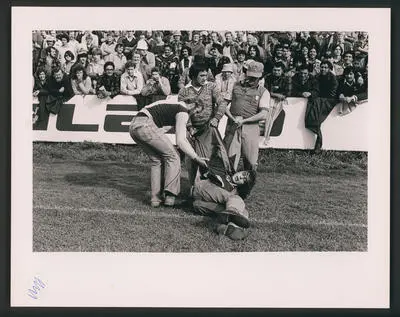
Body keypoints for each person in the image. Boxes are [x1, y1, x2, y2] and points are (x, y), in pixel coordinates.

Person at [129, 102, 209, 207]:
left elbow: (163, 129)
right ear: (191, 105)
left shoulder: (173, 107)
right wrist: (196, 157)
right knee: (174, 156)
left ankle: (155, 199)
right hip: (146, 124)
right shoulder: (183, 111)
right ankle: (170, 196)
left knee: (156, 160)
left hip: (134, 126)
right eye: (196, 110)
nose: (195, 114)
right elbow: (180, 141)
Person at [192, 127, 256, 240]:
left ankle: (227, 228)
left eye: (243, 179)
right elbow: (223, 146)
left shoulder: (234, 189)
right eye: (243, 174)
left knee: (242, 211)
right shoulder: (224, 170)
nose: (240, 176)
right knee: (234, 199)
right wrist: (232, 129)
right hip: (203, 187)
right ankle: (233, 215)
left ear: (242, 184)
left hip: (200, 204)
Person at [177, 62, 228, 185]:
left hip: (207, 129)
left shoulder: (211, 87)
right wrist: (189, 127)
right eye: (202, 76)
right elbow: (182, 111)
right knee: (191, 162)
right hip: (191, 131)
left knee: (206, 160)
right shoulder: (184, 92)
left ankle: (207, 188)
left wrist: (216, 118)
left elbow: (222, 103)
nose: (205, 78)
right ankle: (192, 189)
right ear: (193, 76)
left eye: (206, 75)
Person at [224, 61, 270, 171]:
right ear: (246, 73)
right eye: (250, 76)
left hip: (251, 128)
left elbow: (263, 114)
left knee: (250, 161)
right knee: (230, 159)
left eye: (256, 78)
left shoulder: (263, 91)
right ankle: (229, 186)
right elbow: (223, 105)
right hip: (233, 126)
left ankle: (247, 187)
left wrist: (244, 121)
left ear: (260, 77)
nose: (252, 80)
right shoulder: (235, 86)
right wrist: (232, 118)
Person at [302, 60, 338, 153]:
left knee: (316, 118)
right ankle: (318, 142)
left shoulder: (333, 78)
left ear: (330, 69)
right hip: (318, 99)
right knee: (313, 116)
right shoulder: (317, 76)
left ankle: (318, 143)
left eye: (326, 67)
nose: (323, 69)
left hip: (328, 101)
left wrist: (318, 97)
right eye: (322, 67)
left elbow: (332, 93)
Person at [263, 62, 289, 144]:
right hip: (269, 100)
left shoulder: (286, 79)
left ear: (282, 71)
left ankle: (268, 137)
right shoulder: (268, 77)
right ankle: (265, 137)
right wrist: (275, 94)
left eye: (278, 70)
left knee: (273, 118)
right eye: (274, 70)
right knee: (268, 117)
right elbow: (266, 90)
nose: (276, 72)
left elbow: (288, 92)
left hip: (281, 101)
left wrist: (281, 96)